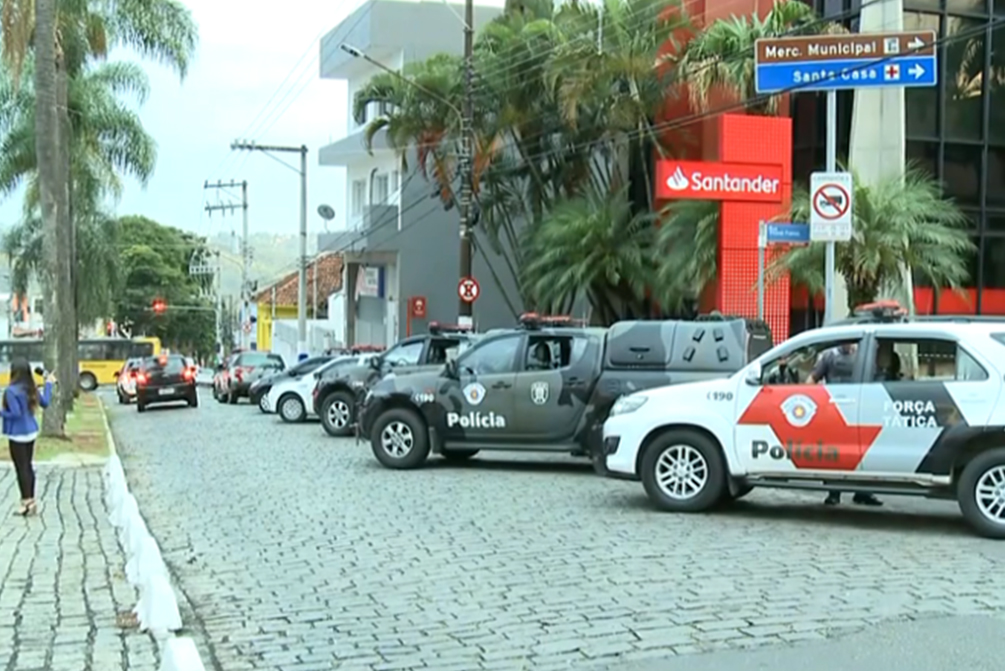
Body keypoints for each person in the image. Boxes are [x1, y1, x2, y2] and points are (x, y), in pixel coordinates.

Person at [807, 342, 882, 508]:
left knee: (862, 451)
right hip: (835, 409)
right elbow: (812, 379)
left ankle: (863, 492)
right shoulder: (830, 355)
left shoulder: (864, 354)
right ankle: (834, 492)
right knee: (835, 452)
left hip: (860, 409)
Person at [3, 359, 54, 516]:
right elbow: (45, 403)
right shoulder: (31, 388)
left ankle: (26, 502)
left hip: (17, 434)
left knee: (21, 468)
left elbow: (15, 413)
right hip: (31, 432)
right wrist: (49, 384)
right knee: (28, 466)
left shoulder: (11, 391)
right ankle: (31, 501)